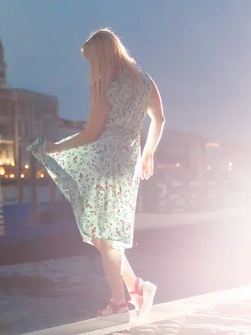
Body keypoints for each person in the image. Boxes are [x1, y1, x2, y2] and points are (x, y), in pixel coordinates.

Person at [27, 28, 165, 323]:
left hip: (104, 163)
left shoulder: (105, 86)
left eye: (92, 61)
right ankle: (136, 287)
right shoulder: (145, 81)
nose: (91, 68)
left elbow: (91, 134)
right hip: (128, 162)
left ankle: (119, 305)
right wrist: (148, 152)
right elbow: (159, 119)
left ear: (102, 58)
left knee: (105, 236)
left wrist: (55, 147)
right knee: (106, 237)